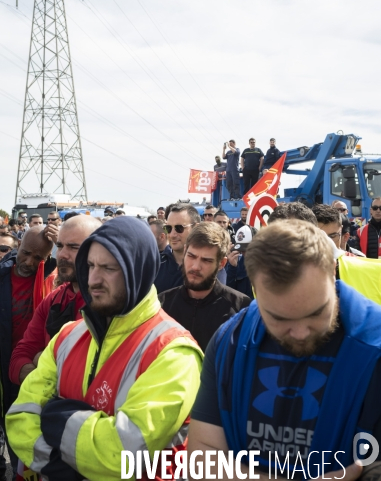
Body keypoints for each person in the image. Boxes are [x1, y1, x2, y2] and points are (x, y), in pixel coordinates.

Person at [6, 217, 202, 481]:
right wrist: (59, 464)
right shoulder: (67, 335)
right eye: (89, 265)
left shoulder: (174, 352)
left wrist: (56, 417)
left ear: (138, 272)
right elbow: (19, 418)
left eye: (108, 268)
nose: (93, 279)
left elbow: (123, 453)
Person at [188, 220, 381, 478]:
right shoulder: (230, 341)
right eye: (279, 318)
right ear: (256, 291)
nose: (300, 333)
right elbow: (201, 459)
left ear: (333, 273)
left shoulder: (374, 349)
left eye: (315, 313)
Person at [0, 228, 55, 477]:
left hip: (44, 379)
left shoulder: (54, 277)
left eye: (39, 258)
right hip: (6, 377)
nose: (29, 262)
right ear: (17, 247)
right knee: (15, 443)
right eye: (25, 253)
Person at [9, 215, 101, 387]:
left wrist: (40, 359)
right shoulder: (53, 299)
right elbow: (19, 357)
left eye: (73, 247)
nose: (62, 254)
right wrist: (45, 378)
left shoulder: (108, 304)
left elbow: (85, 369)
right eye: (59, 246)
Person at [159, 223, 250, 351]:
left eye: (206, 260)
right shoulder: (162, 305)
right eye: (191, 256)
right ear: (185, 252)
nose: (196, 266)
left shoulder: (241, 309)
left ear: (222, 264)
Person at [154, 203, 200, 293]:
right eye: (168, 228)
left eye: (179, 228)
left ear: (196, 228)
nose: (172, 235)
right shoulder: (155, 264)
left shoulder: (207, 264)